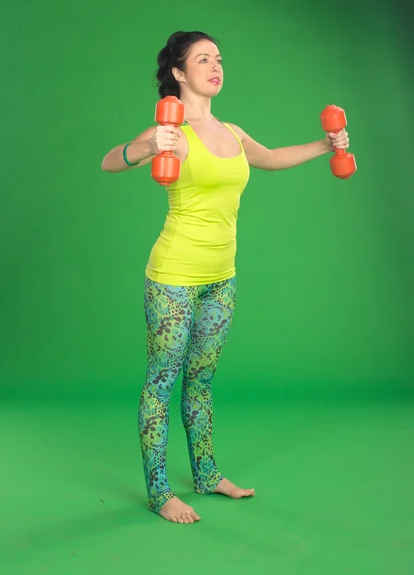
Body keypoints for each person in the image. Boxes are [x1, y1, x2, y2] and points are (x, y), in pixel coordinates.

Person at [101, 31, 350, 525]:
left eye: (218, 58)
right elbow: (110, 160)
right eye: (202, 59)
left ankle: (208, 474)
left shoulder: (232, 132)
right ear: (178, 73)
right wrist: (149, 145)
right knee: (162, 381)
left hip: (222, 277)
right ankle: (159, 492)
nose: (215, 66)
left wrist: (326, 145)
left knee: (201, 380)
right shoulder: (171, 131)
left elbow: (273, 157)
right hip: (173, 276)